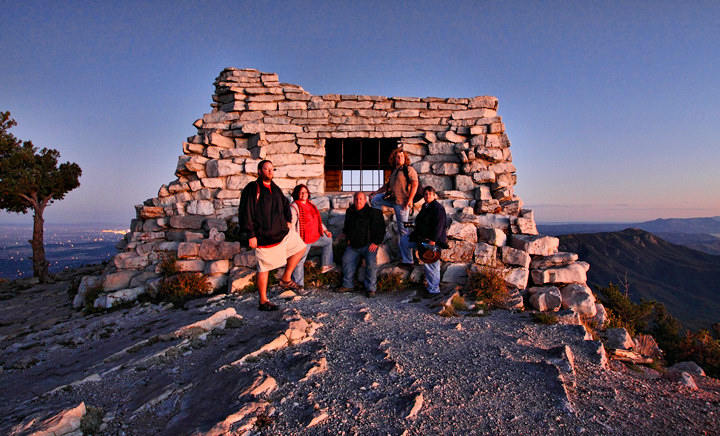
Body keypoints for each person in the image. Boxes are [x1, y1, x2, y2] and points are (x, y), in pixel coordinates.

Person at [238, 160, 307, 311]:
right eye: (266, 169)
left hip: (282, 233)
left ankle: (286, 278)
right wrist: (251, 234)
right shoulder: (253, 188)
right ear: (259, 171)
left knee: (300, 247)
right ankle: (263, 301)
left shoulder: (275, 188)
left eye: (271, 169)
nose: (270, 171)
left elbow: (285, 204)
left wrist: (288, 220)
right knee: (264, 268)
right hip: (264, 236)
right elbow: (246, 211)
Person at [369, 147, 418, 269]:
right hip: (393, 201)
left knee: (403, 232)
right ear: (394, 158)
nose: (399, 158)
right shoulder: (395, 171)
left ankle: (408, 261)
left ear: (404, 158)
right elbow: (388, 186)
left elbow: (415, 183)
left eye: (401, 156)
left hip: (402, 204)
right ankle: (379, 221)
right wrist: (376, 192)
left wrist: (409, 199)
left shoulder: (408, 169)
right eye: (397, 156)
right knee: (375, 200)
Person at [337, 191, 386, 298]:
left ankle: (371, 289)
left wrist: (376, 242)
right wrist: (345, 234)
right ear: (354, 200)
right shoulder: (350, 211)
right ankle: (348, 285)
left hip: (369, 245)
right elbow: (347, 225)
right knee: (346, 259)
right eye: (356, 199)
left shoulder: (373, 212)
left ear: (365, 200)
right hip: (354, 245)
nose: (358, 201)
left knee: (371, 264)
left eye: (360, 199)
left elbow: (381, 228)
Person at [290, 184, 335, 289]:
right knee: (299, 261)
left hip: (314, 235)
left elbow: (317, 220)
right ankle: (298, 285)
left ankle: (326, 264)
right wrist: (294, 241)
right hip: (303, 239)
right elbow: (291, 225)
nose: (303, 194)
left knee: (328, 240)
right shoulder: (294, 207)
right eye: (300, 192)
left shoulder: (310, 204)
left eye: (305, 192)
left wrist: (325, 230)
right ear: (297, 194)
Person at [409, 186, 448, 296]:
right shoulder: (425, 206)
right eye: (426, 194)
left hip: (432, 241)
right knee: (404, 241)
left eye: (430, 194)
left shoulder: (437, 208)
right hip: (422, 238)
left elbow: (439, 226)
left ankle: (434, 290)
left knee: (431, 263)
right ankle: (407, 262)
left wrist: (433, 240)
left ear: (434, 195)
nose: (427, 196)